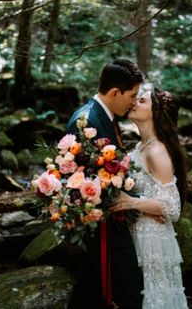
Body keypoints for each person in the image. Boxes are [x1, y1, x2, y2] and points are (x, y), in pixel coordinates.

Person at [66, 58, 145, 309]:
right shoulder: (88, 120)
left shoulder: (105, 117)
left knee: (89, 292)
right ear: (114, 92)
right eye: (132, 96)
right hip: (103, 227)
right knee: (129, 293)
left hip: (110, 221)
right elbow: (81, 182)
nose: (134, 103)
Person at [111, 88, 188, 309]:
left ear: (155, 112)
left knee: (154, 298)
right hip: (138, 231)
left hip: (152, 240)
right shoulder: (140, 146)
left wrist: (130, 202)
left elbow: (172, 207)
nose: (134, 102)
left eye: (141, 100)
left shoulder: (157, 151)